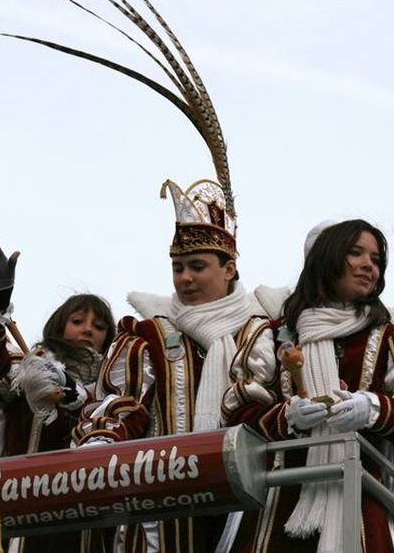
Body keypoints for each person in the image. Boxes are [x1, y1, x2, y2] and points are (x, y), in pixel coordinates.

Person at [74, 179, 275, 553]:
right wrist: (102, 438)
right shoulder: (150, 333)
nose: (184, 278)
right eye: (178, 267)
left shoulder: (259, 332)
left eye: (197, 266)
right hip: (163, 514)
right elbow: (123, 402)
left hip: (244, 508)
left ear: (229, 269)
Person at [226, 219, 394, 553]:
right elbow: (235, 418)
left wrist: (373, 409)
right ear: (326, 260)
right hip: (276, 519)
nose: (368, 266)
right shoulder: (271, 336)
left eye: (376, 260)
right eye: (355, 253)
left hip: (361, 519)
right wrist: (288, 417)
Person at [0, 230, 114, 553]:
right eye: (78, 321)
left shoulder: (111, 386)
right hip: (20, 517)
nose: (88, 329)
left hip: (85, 523)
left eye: (99, 326)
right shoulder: (28, 368)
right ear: (60, 326)